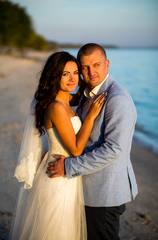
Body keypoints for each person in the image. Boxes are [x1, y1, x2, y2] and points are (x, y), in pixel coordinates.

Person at [9, 51, 106, 240]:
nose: (72, 78)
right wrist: (92, 117)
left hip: (64, 171)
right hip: (57, 177)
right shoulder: (56, 107)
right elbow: (76, 149)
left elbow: (80, 97)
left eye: (75, 72)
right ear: (55, 76)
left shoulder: (66, 100)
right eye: (65, 74)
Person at [47, 43, 138, 240]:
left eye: (96, 65)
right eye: (85, 68)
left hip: (104, 191)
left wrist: (68, 166)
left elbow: (114, 149)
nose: (91, 72)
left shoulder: (117, 99)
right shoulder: (87, 93)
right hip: (85, 188)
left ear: (107, 64)